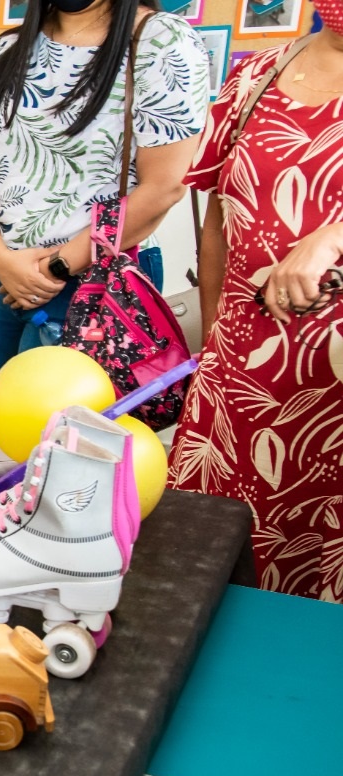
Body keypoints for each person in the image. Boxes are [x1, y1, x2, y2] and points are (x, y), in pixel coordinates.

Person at [166, 0, 343, 601]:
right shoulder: (254, 77)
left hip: (333, 402)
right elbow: (216, 221)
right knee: (203, 572)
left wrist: (332, 236)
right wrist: (216, 346)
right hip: (240, 386)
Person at [0, 0, 209, 377]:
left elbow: (163, 186)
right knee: (4, 422)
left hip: (102, 274)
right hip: (10, 278)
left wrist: (56, 267)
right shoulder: (6, 50)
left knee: (69, 432)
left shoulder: (161, 40)